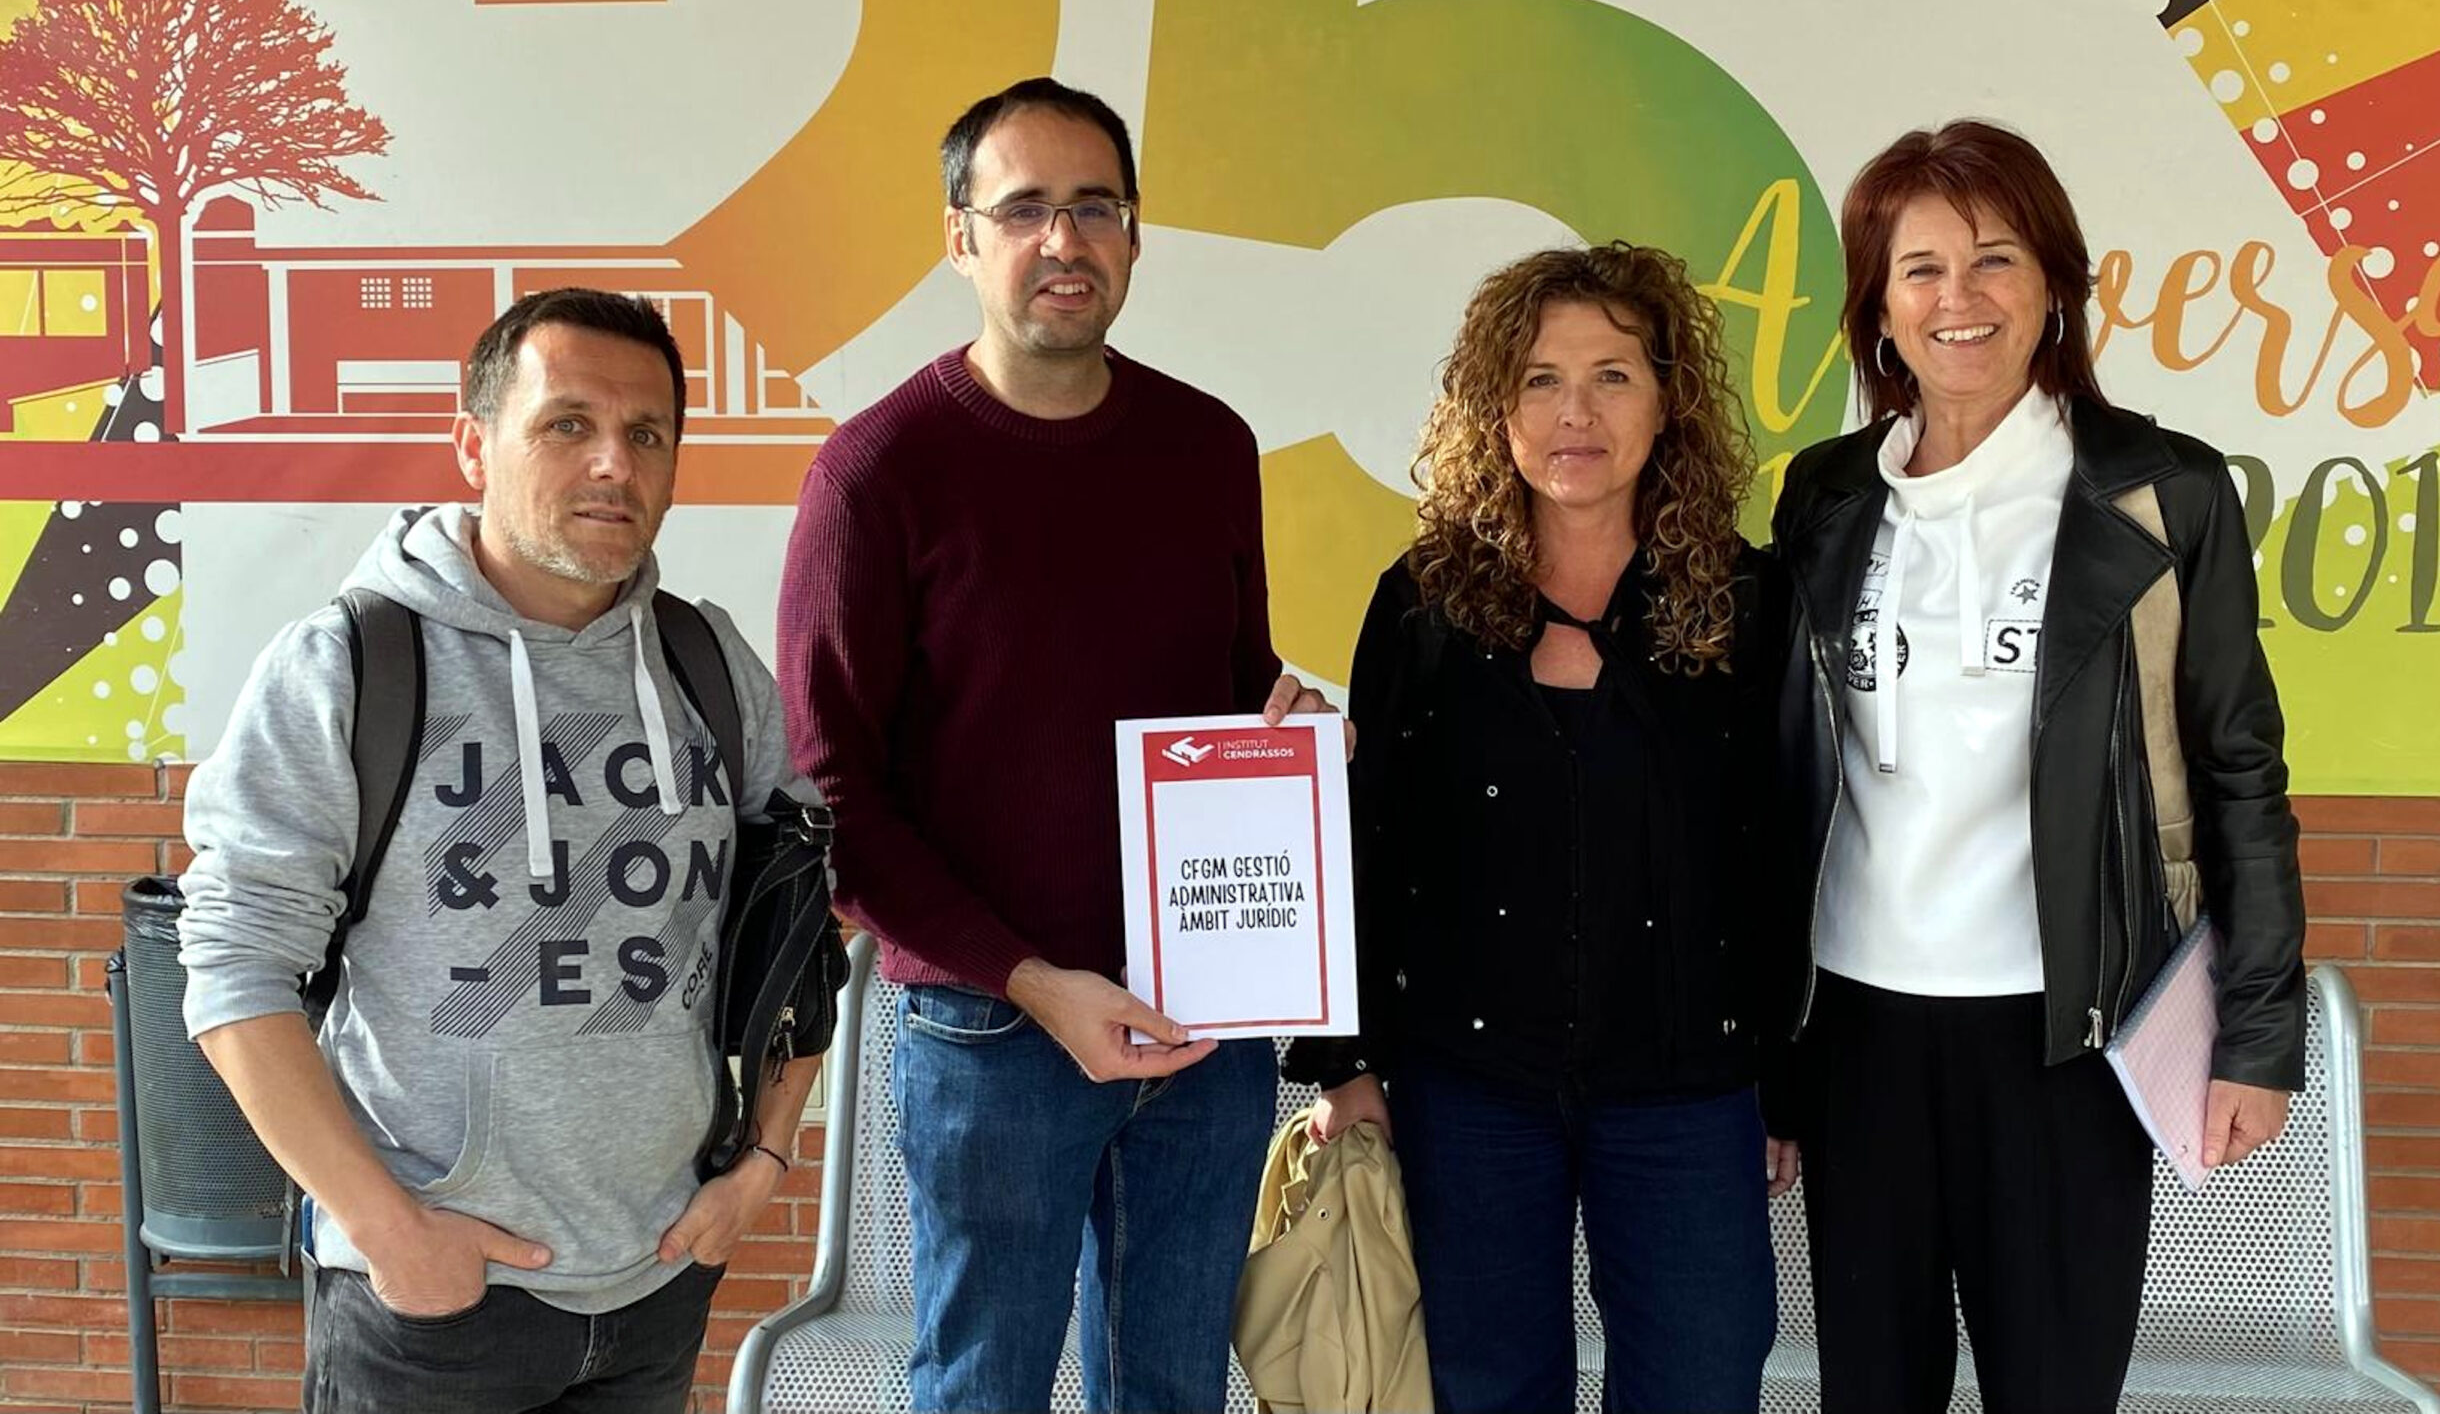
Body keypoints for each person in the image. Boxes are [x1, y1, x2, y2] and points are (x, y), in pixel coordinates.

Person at [776, 76, 1329, 1414]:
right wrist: (1032, 983)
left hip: (1205, 1024)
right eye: (1022, 209)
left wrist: (1287, 734)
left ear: (1136, 234)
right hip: (991, 1031)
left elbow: (1223, 691)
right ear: (959, 238)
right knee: (985, 1392)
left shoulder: (1208, 446)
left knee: (1174, 1391)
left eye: (1094, 207)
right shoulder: (876, 472)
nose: (1062, 240)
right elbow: (835, 797)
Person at [178, 288, 819, 1413]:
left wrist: (762, 1162)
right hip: (433, 1302)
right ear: (474, 446)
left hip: (659, 1278)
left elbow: (803, 913)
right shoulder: (352, 664)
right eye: (567, 424)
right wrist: (388, 1230)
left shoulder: (705, 660)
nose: (614, 463)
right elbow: (234, 969)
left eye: (647, 434)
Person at [1770, 120, 2308, 1413]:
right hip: (1858, 1032)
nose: (1958, 298)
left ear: (2054, 284)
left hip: (2069, 1033)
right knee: (1871, 1391)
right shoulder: (1825, 497)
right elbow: (1777, 778)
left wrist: (2259, 1039)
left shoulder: (2161, 493)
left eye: (1995, 259)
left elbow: (2241, 768)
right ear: (1878, 306)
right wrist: (1769, 1060)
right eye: (1920, 268)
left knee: (2055, 1389)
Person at [1296, 242, 1794, 1414]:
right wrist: (1342, 1062)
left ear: (1667, 400)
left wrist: (1786, 1084)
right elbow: (1368, 840)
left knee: (1701, 1385)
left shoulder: (1746, 599)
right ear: (1495, 408)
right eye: (1538, 379)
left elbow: (1780, 849)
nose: (1576, 413)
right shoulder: (1422, 600)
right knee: (1482, 1390)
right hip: (1467, 1089)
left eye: (1612, 375)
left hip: (1688, 1089)